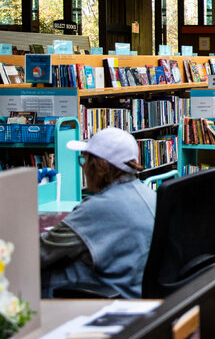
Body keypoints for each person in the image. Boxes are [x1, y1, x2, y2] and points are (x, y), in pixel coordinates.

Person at [40, 127, 156, 298]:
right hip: (134, 289)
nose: (84, 167)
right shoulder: (149, 195)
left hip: (101, 297)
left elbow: (41, 252)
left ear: (99, 167)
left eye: (85, 160)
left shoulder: (98, 208)